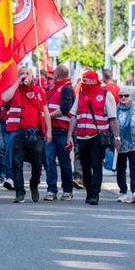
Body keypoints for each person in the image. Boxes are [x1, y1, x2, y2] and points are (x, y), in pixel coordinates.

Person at [66, 70, 120, 205]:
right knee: (85, 166)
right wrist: (70, 135)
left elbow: (113, 119)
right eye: (83, 79)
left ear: (94, 81)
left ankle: (94, 193)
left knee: (96, 164)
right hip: (82, 137)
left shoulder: (105, 95)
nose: (83, 82)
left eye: (86, 80)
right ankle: (89, 190)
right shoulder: (80, 94)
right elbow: (73, 116)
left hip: (98, 136)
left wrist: (117, 137)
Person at [0, 66, 52, 204]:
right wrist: (17, 83)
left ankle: (34, 184)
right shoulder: (14, 89)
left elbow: (46, 112)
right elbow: (4, 98)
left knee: (37, 163)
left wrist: (49, 131)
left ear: (32, 75)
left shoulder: (39, 91)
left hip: (36, 134)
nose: (24, 76)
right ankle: (19, 193)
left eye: (27, 73)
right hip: (17, 133)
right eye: (22, 74)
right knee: (16, 164)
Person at [44, 64, 75, 201]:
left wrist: (47, 116)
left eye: (53, 74)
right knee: (49, 161)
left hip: (62, 131)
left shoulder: (67, 89)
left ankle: (67, 190)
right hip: (50, 131)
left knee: (64, 162)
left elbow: (64, 109)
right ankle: (51, 190)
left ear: (57, 75)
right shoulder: (53, 89)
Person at [116, 86, 135, 204]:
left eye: (126, 95)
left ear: (130, 97)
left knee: (134, 167)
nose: (123, 98)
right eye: (121, 95)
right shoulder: (114, 109)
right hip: (119, 144)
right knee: (120, 168)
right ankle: (123, 192)